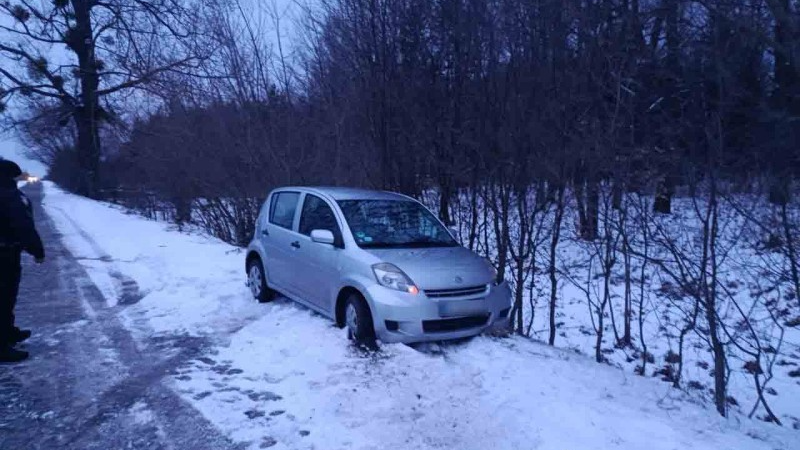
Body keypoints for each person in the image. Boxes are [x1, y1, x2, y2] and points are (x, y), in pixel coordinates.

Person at [0, 159, 45, 363]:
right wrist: (37, 250)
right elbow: (22, 225)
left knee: (6, 297)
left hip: (7, 251)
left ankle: (8, 332)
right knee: (4, 297)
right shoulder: (8, 195)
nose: (19, 180)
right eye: (16, 176)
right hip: (5, 253)